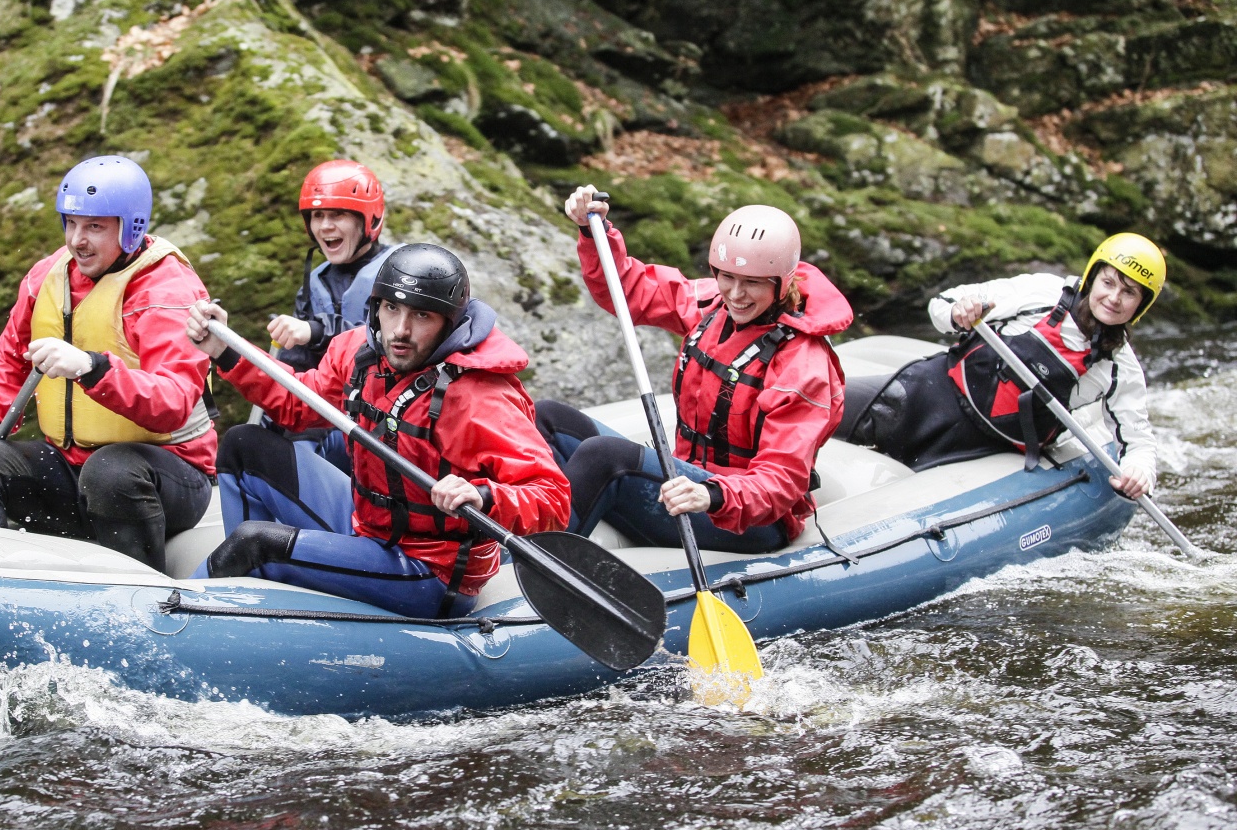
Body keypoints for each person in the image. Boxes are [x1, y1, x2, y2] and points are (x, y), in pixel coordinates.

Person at [183, 244, 571, 618]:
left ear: (448, 323)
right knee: (242, 445)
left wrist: (484, 495)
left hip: (428, 570)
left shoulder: (477, 398)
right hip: (367, 524)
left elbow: (553, 500)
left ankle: (205, 603)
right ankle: (240, 600)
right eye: (391, 308)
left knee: (257, 542)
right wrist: (225, 350)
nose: (400, 330)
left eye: (421, 316)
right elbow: (298, 404)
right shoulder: (359, 353)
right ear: (376, 307)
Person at [536, 187, 853, 555]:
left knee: (605, 456)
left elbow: (782, 479)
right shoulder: (712, 306)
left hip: (747, 517)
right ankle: (511, 532)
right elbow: (629, 289)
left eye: (752, 282)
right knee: (548, 417)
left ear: (782, 283)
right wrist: (594, 231)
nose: (735, 294)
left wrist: (712, 494)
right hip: (688, 482)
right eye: (726, 276)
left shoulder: (803, 364)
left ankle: (533, 570)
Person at [0, 156, 217, 571]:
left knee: (110, 472)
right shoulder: (45, 277)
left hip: (168, 476)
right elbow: (10, 359)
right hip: (73, 469)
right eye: (71, 223)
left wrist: (91, 367)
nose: (77, 240)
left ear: (131, 229)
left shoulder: (167, 289)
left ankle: (140, 595)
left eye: (94, 227)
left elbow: (172, 402)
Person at [840, 233, 1163, 497]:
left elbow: (1138, 442)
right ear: (1093, 277)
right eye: (1109, 283)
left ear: (1141, 305)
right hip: (926, 396)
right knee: (811, 403)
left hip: (982, 448)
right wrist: (959, 313)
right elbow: (942, 304)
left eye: (1129, 292)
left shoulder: (1120, 367)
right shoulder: (1043, 292)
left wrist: (1139, 470)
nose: (1114, 298)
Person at [269, 159, 393, 372]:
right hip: (331, 399)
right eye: (318, 216)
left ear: (369, 220)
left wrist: (318, 331)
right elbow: (296, 369)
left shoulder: (402, 273)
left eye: (338, 214)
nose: (325, 226)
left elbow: (392, 344)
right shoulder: (314, 285)